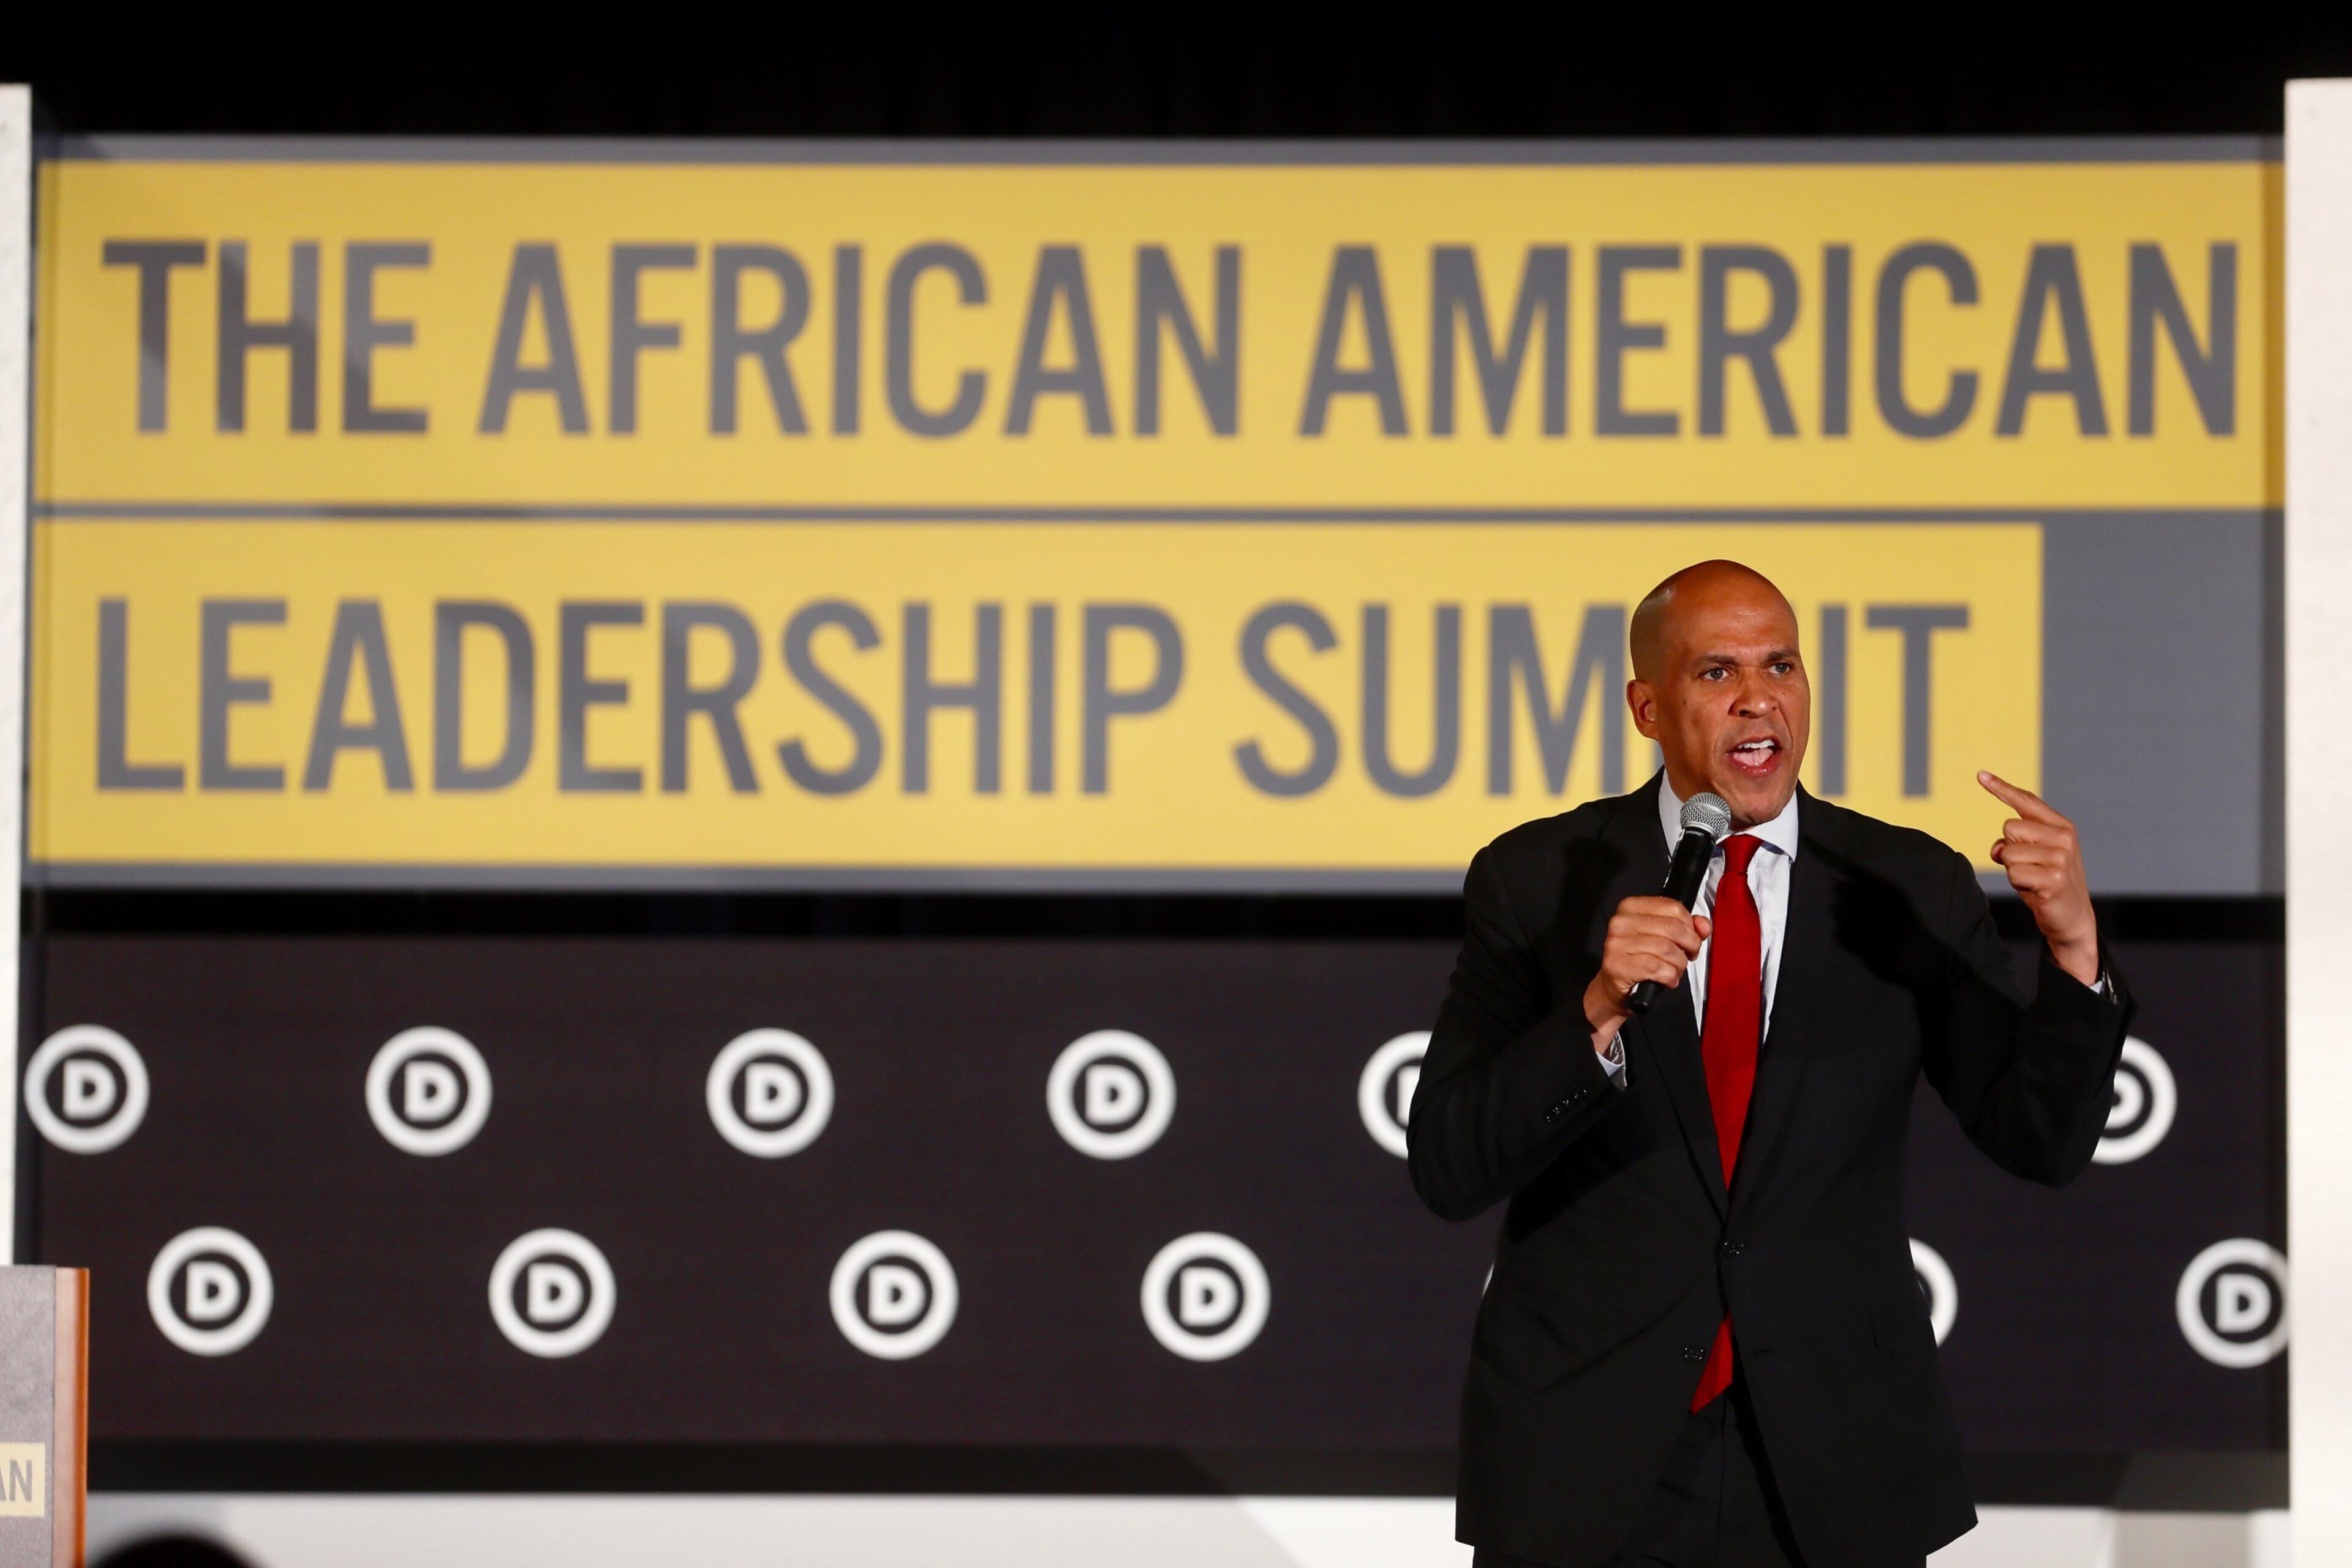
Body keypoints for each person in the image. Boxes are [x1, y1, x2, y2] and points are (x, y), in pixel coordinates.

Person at [1408, 560, 2128, 1568]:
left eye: (1780, 664)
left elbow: (2042, 1139)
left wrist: (2074, 954)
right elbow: (1447, 1163)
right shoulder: (1540, 880)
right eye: (1716, 673)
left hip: (1833, 1457)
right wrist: (1597, 1013)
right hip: (1589, 1455)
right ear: (1647, 707)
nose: (1759, 697)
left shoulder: (1906, 884)